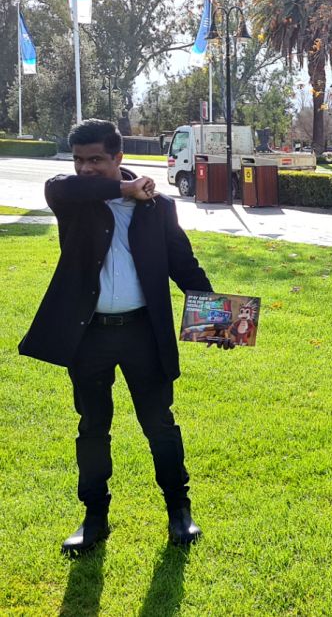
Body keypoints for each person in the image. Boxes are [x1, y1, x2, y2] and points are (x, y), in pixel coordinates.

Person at [19, 119, 222, 555]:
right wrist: (123, 190)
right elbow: (62, 186)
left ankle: (178, 511)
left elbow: (185, 268)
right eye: (78, 160)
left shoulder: (159, 208)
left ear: (118, 158)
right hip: (88, 336)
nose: (85, 168)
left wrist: (219, 321)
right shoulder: (72, 201)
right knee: (93, 427)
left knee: (160, 426)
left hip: (142, 334)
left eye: (96, 159)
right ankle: (94, 517)